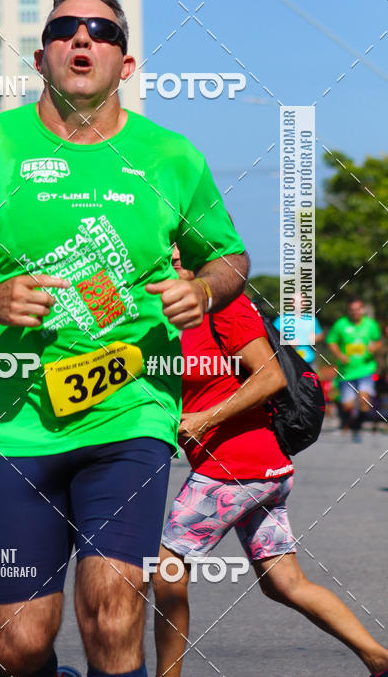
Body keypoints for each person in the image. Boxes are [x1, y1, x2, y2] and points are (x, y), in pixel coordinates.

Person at [0, 0, 249, 677]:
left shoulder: (170, 157)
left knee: (113, 615)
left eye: (103, 31)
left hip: (132, 412)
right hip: (17, 421)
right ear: (40, 58)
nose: (83, 38)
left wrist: (202, 288)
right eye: (65, 29)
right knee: (20, 646)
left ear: (127, 63)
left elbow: (230, 256)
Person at [152, 269, 388, 677]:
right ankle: (380, 659)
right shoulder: (163, 313)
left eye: (178, 256)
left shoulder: (223, 306)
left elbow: (271, 376)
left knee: (166, 569)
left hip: (234, 468)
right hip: (257, 471)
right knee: (284, 583)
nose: (168, 264)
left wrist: (205, 420)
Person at [327, 298, 383, 440]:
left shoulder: (371, 325)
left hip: (366, 369)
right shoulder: (341, 324)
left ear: (362, 310)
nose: (355, 312)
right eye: (352, 309)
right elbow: (331, 341)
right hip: (346, 371)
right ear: (349, 311)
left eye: (358, 309)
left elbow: (378, 341)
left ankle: (357, 426)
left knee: (364, 401)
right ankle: (347, 422)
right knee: (347, 405)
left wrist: (374, 347)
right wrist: (339, 355)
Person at [273, 294, 323, 365]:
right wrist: (285, 343)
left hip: (309, 361)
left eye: (302, 302)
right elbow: (272, 336)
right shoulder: (281, 320)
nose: (300, 304)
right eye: (297, 302)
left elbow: (320, 335)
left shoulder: (312, 320)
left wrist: (316, 338)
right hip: (287, 361)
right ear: (291, 303)